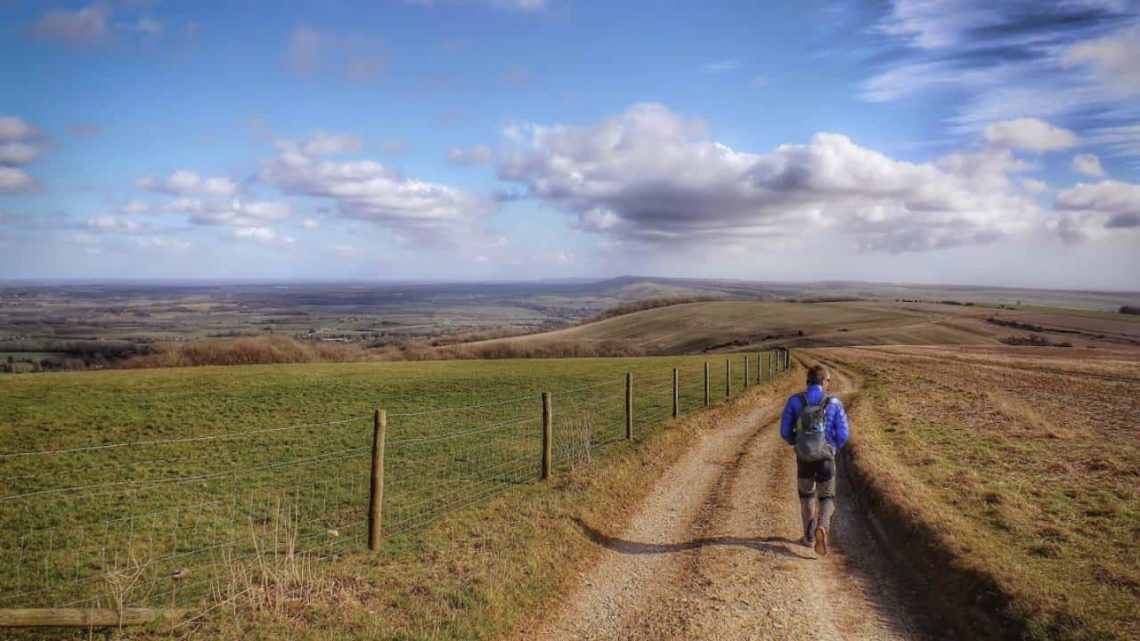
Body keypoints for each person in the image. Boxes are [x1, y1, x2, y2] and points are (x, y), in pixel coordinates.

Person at [779, 364, 849, 556]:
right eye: (828, 381)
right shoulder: (834, 402)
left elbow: (785, 431)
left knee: (806, 496)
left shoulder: (795, 401)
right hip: (826, 457)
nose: (829, 384)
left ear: (808, 381)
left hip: (804, 458)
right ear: (824, 381)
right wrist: (832, 447)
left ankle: (809, 538)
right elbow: (843, 434)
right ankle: (823, 527)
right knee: (827, 496)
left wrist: (798, 442)